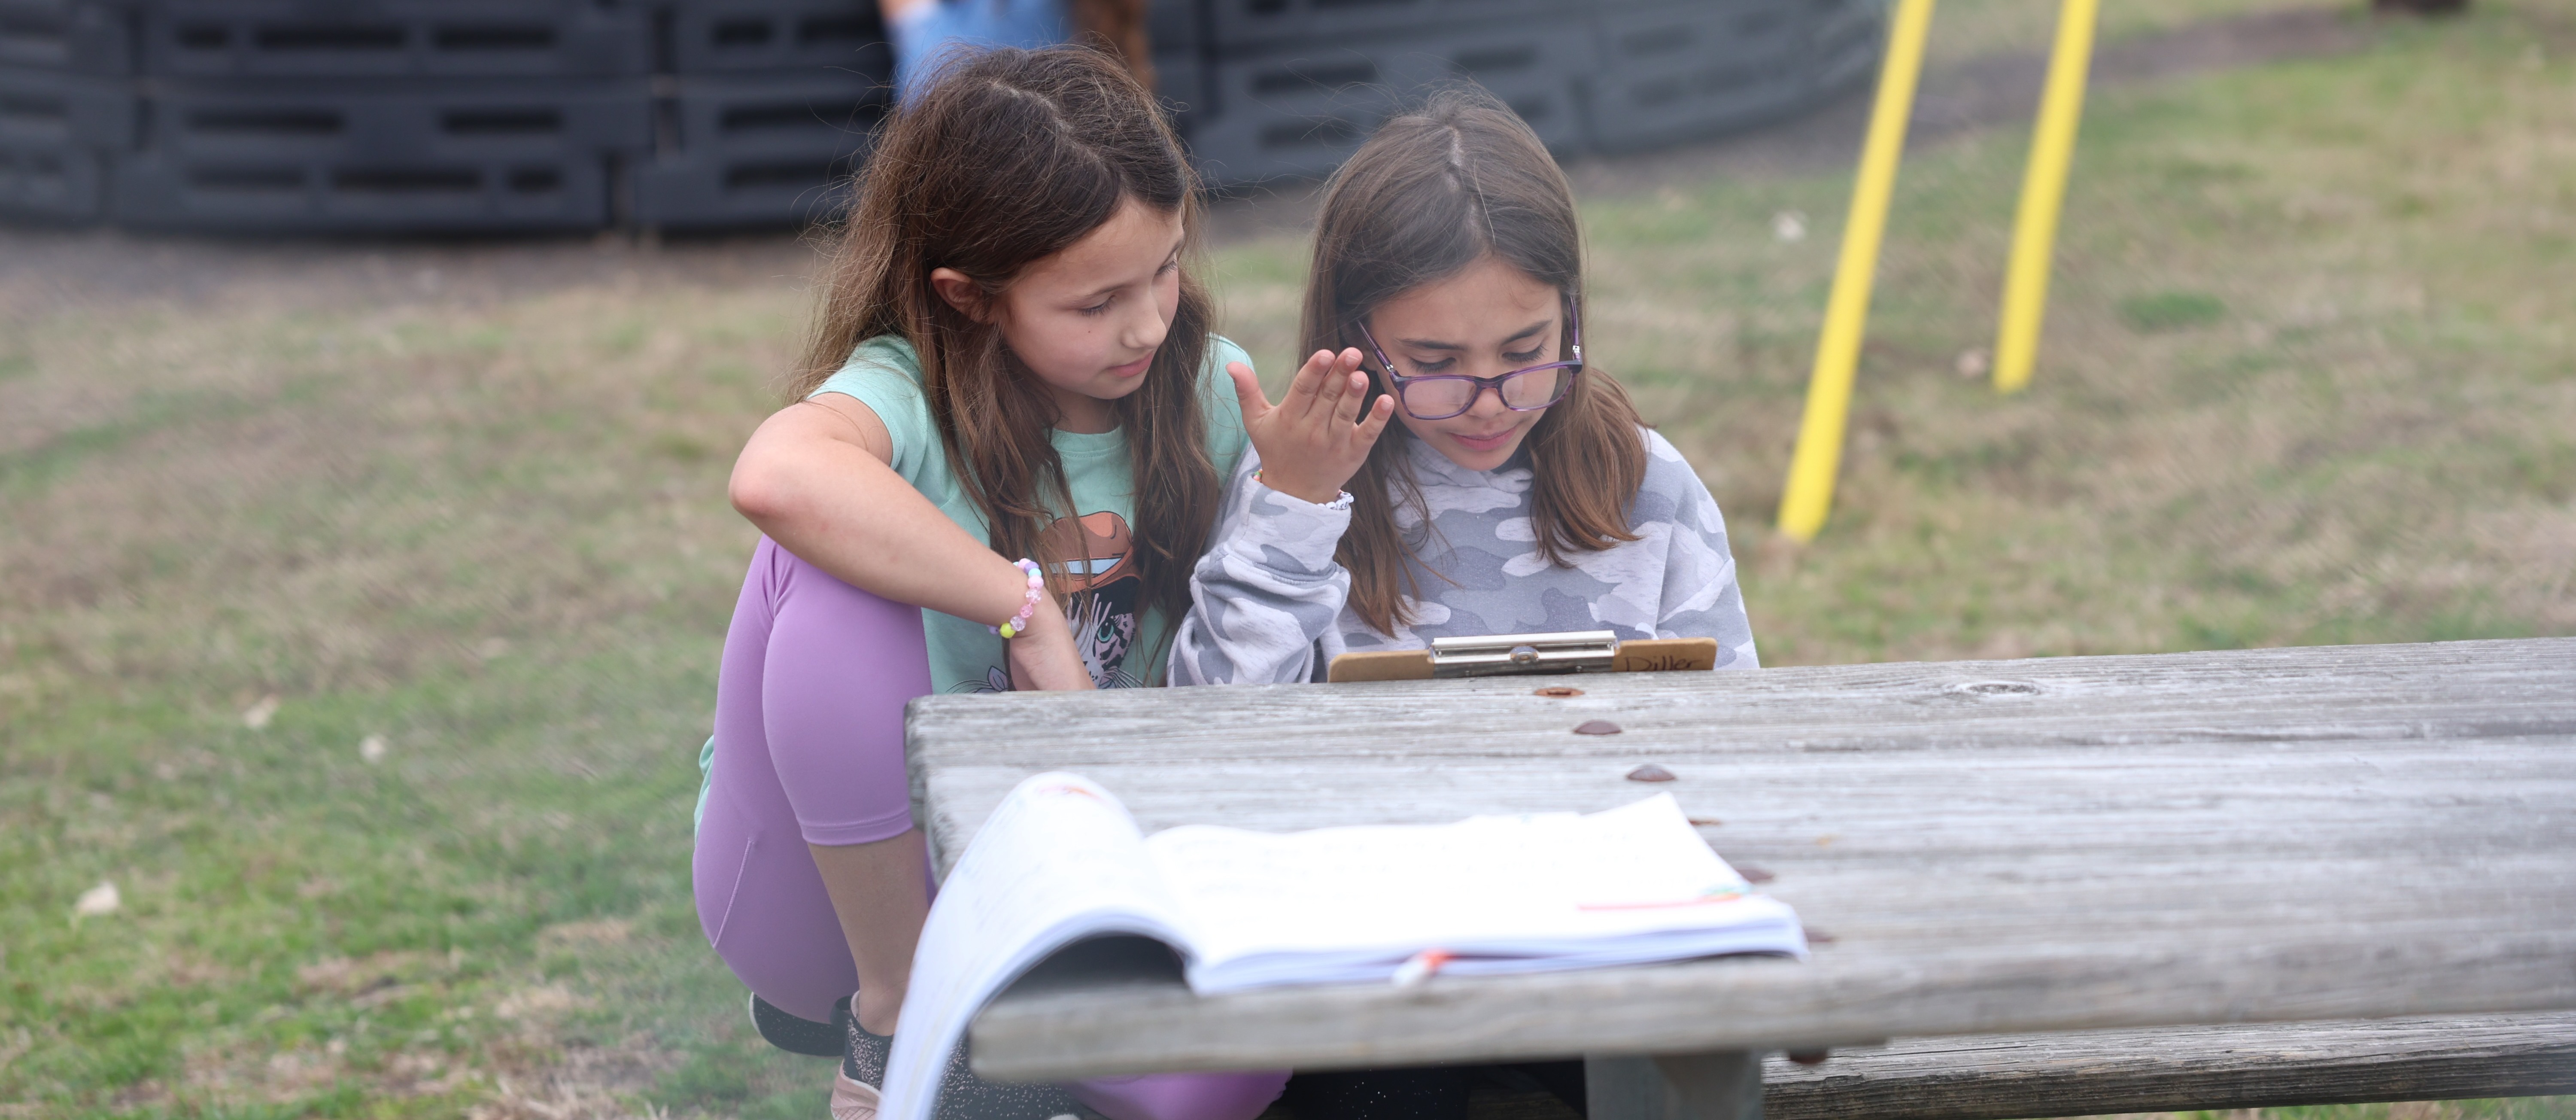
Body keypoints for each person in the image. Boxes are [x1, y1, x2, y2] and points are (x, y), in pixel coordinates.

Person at [696, 45, 1286, 1120]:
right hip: (833, 892)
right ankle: (900, 1009)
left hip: (1067, 879)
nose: (1149, 322)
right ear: (970, 297)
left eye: (1165, 269)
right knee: (826, 560)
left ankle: (1017, 1059)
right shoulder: (904, 392)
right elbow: (775, 473)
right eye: (1097, 300)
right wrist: (1024, 604)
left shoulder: (1203, 389)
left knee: (1233, 1074)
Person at [1169, 85, 1760, 693]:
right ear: (1356, 339)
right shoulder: (1291, 483)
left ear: (1572, 318)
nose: (1489, 404)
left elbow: (1732, 719)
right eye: (1435, 361)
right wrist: (1293, 513)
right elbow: (1210, 723)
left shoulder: (1647, 485)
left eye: (1525, 352)